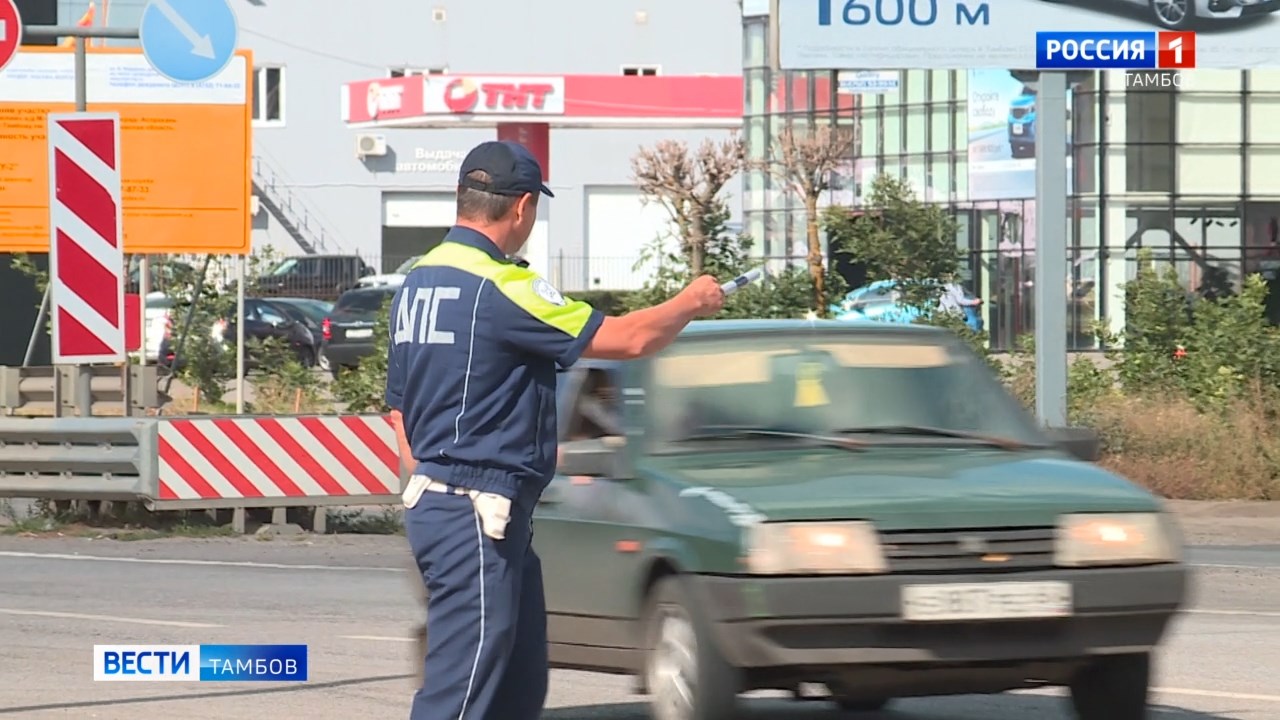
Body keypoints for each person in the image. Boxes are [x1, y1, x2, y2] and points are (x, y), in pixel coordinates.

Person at [386, 139, 724, 720]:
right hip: (476, 510)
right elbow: (631, 340)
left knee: (515, 689)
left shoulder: (418, 282)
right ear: (520, 207)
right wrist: (691, 302)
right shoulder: (502, 285)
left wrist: (435, 485)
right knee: (461, 697)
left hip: (462, 506)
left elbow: (398, 413)